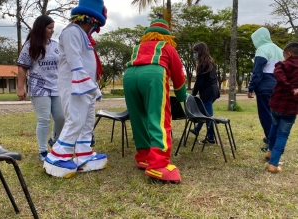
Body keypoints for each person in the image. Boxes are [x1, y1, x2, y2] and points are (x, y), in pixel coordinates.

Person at [43, 0, 108, 178]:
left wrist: (92, 86)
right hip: (75, 85)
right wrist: (88, 85)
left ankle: (84, 154)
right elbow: (75, 61)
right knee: (76, 120)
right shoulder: (71, 32)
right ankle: (57, 156)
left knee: (87, 122)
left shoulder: (83, 35)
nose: (95, 28)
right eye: (96, 24)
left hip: (87, 86)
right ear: (91, 20)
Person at [123, 19, 187, 183]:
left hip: (129, 76)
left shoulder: (137, 48)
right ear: (167, 36)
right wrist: (181, 97)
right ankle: (158, 164)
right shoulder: (167, 47)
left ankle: (144, 156)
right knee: (158, 117)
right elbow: (178, 75)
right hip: (153, 74)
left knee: (138, 117)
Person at [17, 15, 65, 162]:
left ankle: (54, 140)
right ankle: (43, 151)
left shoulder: (56, 45)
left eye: (53, 28)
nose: (52, 31)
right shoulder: (30, 45)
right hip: (38, 87)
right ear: (40, 28)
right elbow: (22, 67)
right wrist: (20, 87)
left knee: (61, 117)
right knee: (44, 119)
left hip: (56, 86)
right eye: (49, 28)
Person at [264, 42, 298, 173]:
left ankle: (270, 152)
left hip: (276, 105)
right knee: (282, 135)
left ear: (288, 54)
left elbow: (279, 76)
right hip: (291, 108)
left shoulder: (282, 65)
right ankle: (273, 164)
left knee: (274, 128)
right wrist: (293, 90)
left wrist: (288, 87)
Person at [248, 27, 283, 147]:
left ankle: (270, 141)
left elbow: (257, 72)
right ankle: (274, 138)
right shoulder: (280, 50)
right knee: (275, 114)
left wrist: (251, 88)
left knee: (265, 115)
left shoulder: (262, 50)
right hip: (279, 87)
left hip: (265, 87)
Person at [189, 42, 220, 144]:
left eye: (196, 52)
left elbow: (199, 82)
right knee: (204, 112)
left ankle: (211, 138)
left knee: (208, 116)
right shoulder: (211, 62)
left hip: (207, 93)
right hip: (214, 91)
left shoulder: (203, 64)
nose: (195, 55)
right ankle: (197, 129)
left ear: (200, 52)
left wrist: (193, 94)